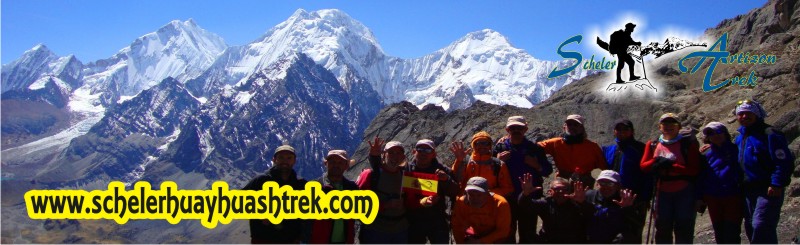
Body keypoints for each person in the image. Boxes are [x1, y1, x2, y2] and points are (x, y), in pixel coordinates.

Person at [734, 100, 795, 244]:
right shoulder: (740, 137)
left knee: (761, 225)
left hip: (767, 189)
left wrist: (776, 183)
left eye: (748, 113)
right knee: (750, 227)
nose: (744, 116)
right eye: (740, 114)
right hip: (747, 190)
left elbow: (783, 161)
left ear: (756, 114)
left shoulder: (770, 134)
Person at [640, 113, 701, 244]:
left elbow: (694, 169)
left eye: (672, 124)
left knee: (683, 227)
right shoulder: (653, 144)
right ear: (659, 127)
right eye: (664, 124)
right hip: (661, 191)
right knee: (662, 227)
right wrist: (656, 161)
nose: (668, 126)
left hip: (683, 191)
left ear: (678, 127)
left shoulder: (687, 144)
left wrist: (671, 165)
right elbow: (644, 166)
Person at [493, 115, 552, 243]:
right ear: (507, 130)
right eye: (512, 128)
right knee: (507, 235)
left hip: (529, 200)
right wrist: (497, 161)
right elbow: (489, 172)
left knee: (528, 236)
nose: (516, 131)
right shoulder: (499, 149)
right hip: (507, 200)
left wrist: (537, 165)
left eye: (519, 128)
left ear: (525, 129)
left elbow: (548, 170)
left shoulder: (535, 149)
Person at [242, 145, 307, 244]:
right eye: (281, 157)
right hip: (263, 239)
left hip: (291, 240)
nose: (285, 161)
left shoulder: (301, 184)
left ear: (294, 161)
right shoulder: (261, 181)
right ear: (274, 160)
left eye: (289, 158)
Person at [601, 119, 652, 244]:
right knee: (611, 230)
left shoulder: (641, 148)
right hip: (612, 196)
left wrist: (645, 197)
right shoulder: (609, 149)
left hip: (635, 197)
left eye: (625, 129)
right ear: (614, 131)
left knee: (632, 231)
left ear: (632, 131)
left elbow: (648, 174)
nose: (622, 132)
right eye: (619, 129)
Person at [695, 122, 743, 244]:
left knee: (732, 231)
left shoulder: (736, 149)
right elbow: (701, 177)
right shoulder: (705, 154)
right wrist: (699, 197)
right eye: (711, 133)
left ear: (725, 133)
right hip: (713, 198)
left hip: (733, 196)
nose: (715, 135)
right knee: (719, 232)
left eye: (718, 132)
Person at [405, 139, 458, 244]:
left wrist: (446, 179)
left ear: (434, 154)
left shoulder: (442, 170)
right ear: (414, 152)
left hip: (437, 221)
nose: (423, 153)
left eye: (428, 150)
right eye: (420, 149)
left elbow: (454, 192)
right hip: (412, 221)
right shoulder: (406, 169)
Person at [356, 137, 408, 243]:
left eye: (398, 153)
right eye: (391, 152)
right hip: (375, 230)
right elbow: (358, 204)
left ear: (403, 156)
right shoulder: (370, 175)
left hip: (400, 230)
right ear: (384, 154)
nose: (395, 156)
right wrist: (385, 205)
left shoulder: (406, 176)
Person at [518, 174, 593, 243]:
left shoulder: (576, 203)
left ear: (569, 191)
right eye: (557, 189)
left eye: (564, 189)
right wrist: (525, 194)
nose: (560, 191)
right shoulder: (546, 203)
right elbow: (525, 205)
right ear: (550, 192)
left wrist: (582, 202)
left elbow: (592, 214)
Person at [538, 114, 606, 187]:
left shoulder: (592, 147)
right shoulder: (555, 143)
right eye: (569, 124)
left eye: (576, 124)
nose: (572, 127)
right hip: (562, 183)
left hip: (584, 183)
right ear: (564, 127)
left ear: (582, 128)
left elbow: (604, 167)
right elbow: (535, 148)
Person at [308, 150, 359, 244]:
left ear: (346, 166)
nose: (336, 165)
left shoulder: (352, 188)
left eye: (340, 162)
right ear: (326, 164)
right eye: (332, 162)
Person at [451, 131, 514, 198]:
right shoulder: (465, 161)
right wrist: (459, 161)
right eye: (478, 143)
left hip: (489, 205)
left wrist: (487, 194)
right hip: (466, 203)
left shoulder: (498, 164)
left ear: (490, 146)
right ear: (473, 145)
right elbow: (454, 180)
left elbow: (508, 189)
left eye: (486, 143)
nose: (482, 146)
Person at [451, 177, 511, 244]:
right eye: (471, 195)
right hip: (475, 234)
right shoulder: (461, 203)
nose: (475, 199)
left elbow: (503, 231)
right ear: (466, 193)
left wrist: (480, 242)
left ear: (487, 193)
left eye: (479, 195)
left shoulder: (501, 204)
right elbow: (457, 226)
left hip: (494, 237)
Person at [584, 170, 637, 243]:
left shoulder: (625, 199)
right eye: (602, 183)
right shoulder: (589, 195)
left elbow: (634, 226)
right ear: (597, 184)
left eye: (610, 183)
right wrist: (580, 202)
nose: (606, 187)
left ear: (618, 186)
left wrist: (627, 208)